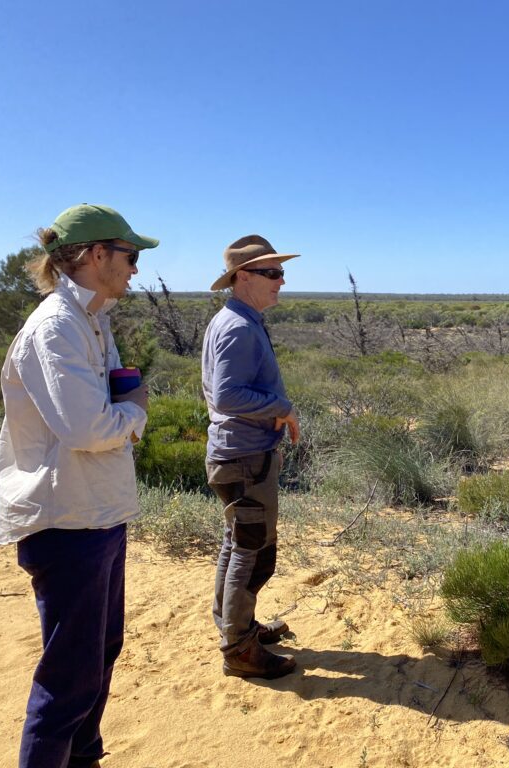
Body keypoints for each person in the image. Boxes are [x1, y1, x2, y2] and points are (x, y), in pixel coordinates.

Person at [0, 203, 156, 768]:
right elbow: (88, 427)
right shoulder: (56, 326)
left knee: (97, 658)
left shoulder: (90, 320)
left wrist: (124, 404)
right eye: (130, 256)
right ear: (96, 255)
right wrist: (136, 411)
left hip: (98, 514)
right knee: (68, 680)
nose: (135, 269)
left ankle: (82, 758)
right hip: (69, 523)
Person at [202, 234, 301, 679]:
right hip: (244, 457)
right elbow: (226, 394)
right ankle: (238, 648)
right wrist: (280, 408)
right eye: (272, 273)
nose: (281, 280)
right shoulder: (239, 326)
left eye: (280, 272)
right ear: (243, 277)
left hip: (239, 454)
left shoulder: (239, 319)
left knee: (239, 543)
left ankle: (236, 627)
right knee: (252, 551)